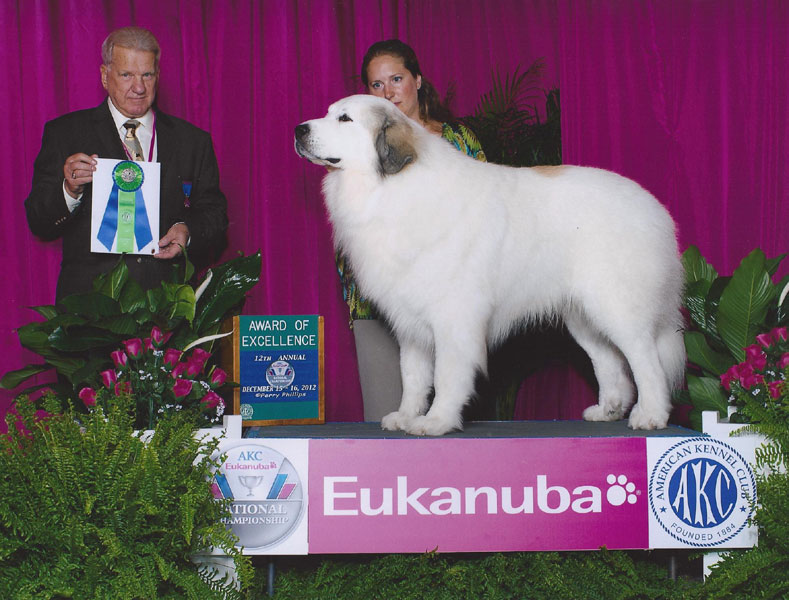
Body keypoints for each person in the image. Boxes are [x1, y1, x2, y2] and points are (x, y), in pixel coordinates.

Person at [25, 26, 228, 301]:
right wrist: (69, 190)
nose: (139, 87)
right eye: (126, 75)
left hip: (167, 313)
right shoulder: (65, 133)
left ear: (157, 75)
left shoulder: (193, 141)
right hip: (89, 317)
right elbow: (39, 221)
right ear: (104, 76)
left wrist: (188, 232)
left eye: (147, 74)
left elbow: (215, 215)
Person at [338, 39, 486, 323]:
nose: (388, 93)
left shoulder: (457, 139)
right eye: (376, 85)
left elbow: (483, 210)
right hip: (379, 299)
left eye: (396, 79)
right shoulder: (354, 147)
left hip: (453, 290)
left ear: (417, 80)